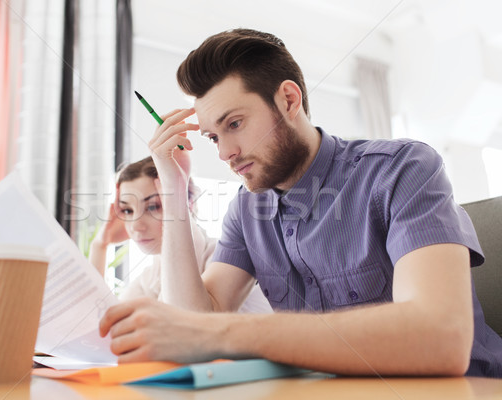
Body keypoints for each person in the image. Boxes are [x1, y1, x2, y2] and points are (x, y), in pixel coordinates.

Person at [99, 29, 502, 377]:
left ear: (289, 100)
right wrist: (172, 184)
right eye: (213, 137)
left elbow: (438, 337)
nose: (225, 153)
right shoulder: (247, 210)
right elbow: (196, 320)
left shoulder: (402, 169)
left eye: (234, 124)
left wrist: (223, 335)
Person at [88, 151, 272, 313]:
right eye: (127, 210)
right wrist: (100, 245)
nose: (136, 226)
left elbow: (177, 326)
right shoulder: (150, 277)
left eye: (153, 207)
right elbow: (103, 329)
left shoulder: (227, 261)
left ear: (188, 203)